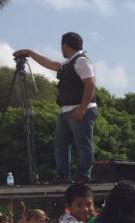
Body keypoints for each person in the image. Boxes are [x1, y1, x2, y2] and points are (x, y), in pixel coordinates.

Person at [14, 32, 97, 182]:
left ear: (65, 45)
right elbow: (49, 63)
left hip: (80, 109)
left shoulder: (81, 61)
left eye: (62, 46)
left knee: (83, 145)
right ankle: (63, 176)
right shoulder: (69, 63)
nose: (61, 50)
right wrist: (31, 53)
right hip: (66, 110)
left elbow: (90, 85)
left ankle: (84, 176)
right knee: (61, 145)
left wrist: (83, 108)